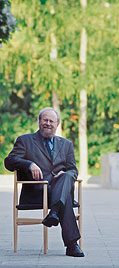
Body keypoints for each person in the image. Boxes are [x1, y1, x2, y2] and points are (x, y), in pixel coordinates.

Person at [4, 107, 84, 257]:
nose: (48, 123)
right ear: (39, 121)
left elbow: (73, 170)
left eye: (51, 121)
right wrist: (29, 164)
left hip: (59, 188)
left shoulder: (66, 144)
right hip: (38, 192)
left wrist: (64, 174)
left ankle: (54, 212)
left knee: (67, 175)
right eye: (44, 120)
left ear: (57, 124)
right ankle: (72, 245)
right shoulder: (25, 140)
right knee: (65, 197)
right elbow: (9, 161)